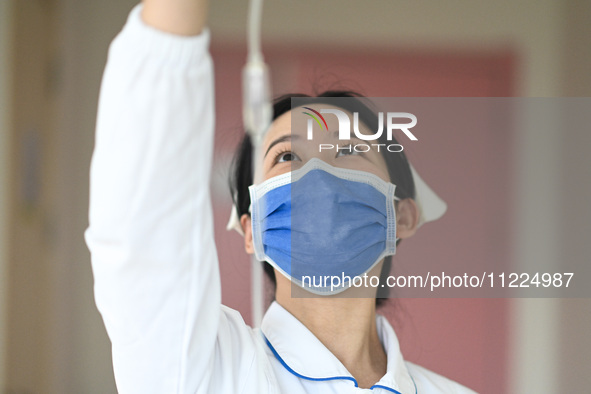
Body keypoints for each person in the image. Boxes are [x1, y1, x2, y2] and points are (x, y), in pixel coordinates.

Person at [85, 1, 477, 393]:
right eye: (287, 156)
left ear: (402, 214)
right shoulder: (204, 368)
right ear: (251, 227)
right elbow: (144, 236)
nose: (319, 173)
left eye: (348, 149)